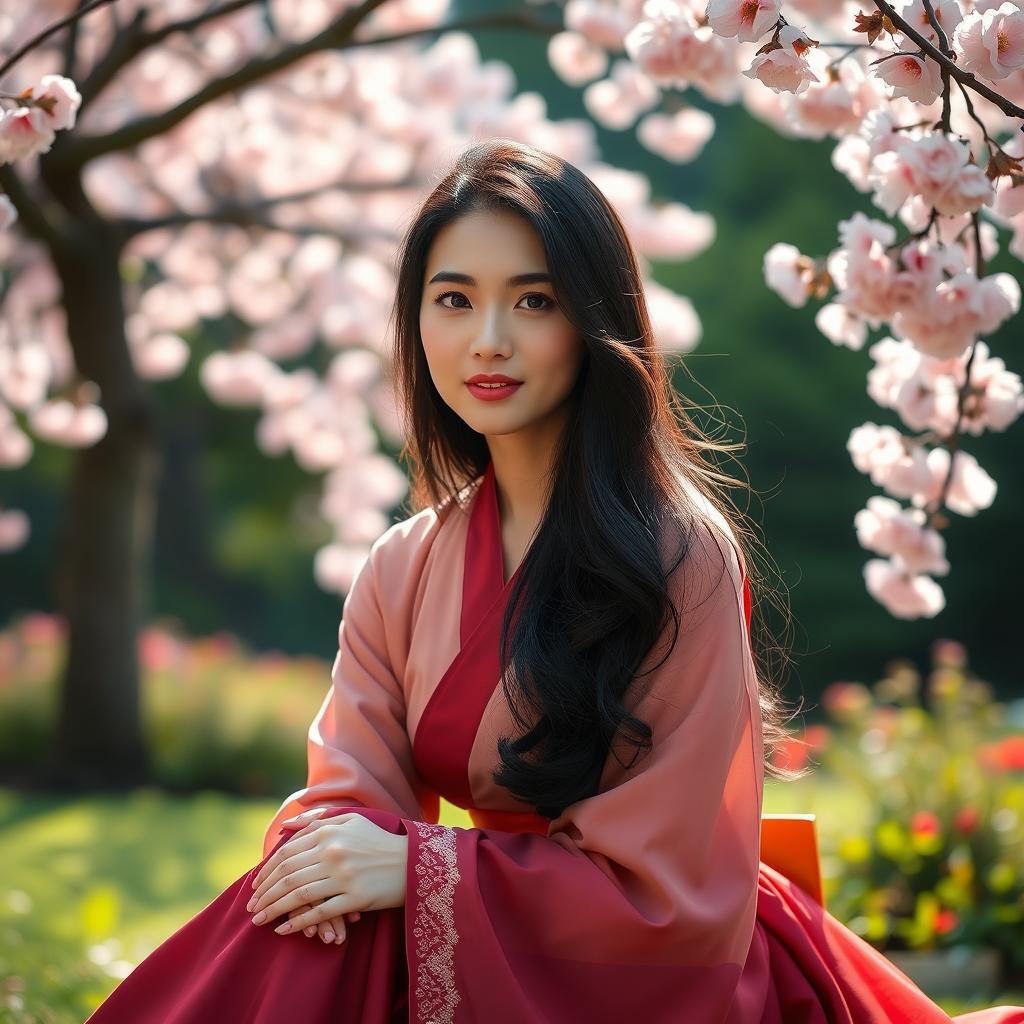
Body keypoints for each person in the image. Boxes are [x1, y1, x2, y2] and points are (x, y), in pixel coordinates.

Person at [85, 138, 1024, 1023]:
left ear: (595, 319)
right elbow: (350, 790)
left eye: (533, 301)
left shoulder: (680, 557)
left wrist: (421, 870)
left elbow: (665, 886)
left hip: (656, 964)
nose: (487, 340)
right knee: (305, 910)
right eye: (453, 301)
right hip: (482, 933)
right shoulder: (403, 563)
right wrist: (340, 854)